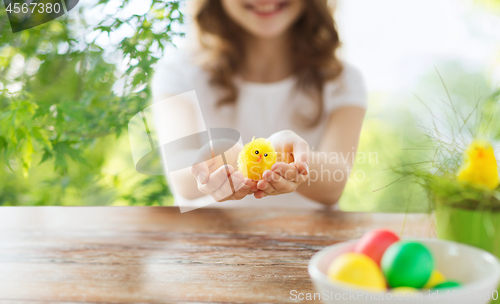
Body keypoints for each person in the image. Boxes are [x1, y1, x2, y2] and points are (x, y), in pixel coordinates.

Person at [151, 0, 367, 209]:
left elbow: (334, 184)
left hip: (307, 241)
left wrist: (287, 159)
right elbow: (181, 176)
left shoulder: (342, 79)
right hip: (203, 238)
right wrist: (235, 157)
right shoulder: (178, 72)